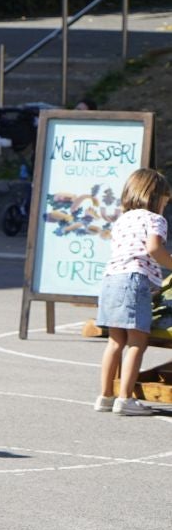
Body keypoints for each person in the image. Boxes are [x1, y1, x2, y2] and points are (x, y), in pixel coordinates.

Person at [95, 168, 172, 416]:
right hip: (134, 280)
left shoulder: (123, 219)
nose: (165, 206)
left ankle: (105, 396)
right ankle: (125, 399)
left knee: (115, 341)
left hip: (111, 280)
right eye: (166, 200)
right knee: (138, 343)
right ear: (155, 196)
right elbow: (153, 249)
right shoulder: (155, 219)